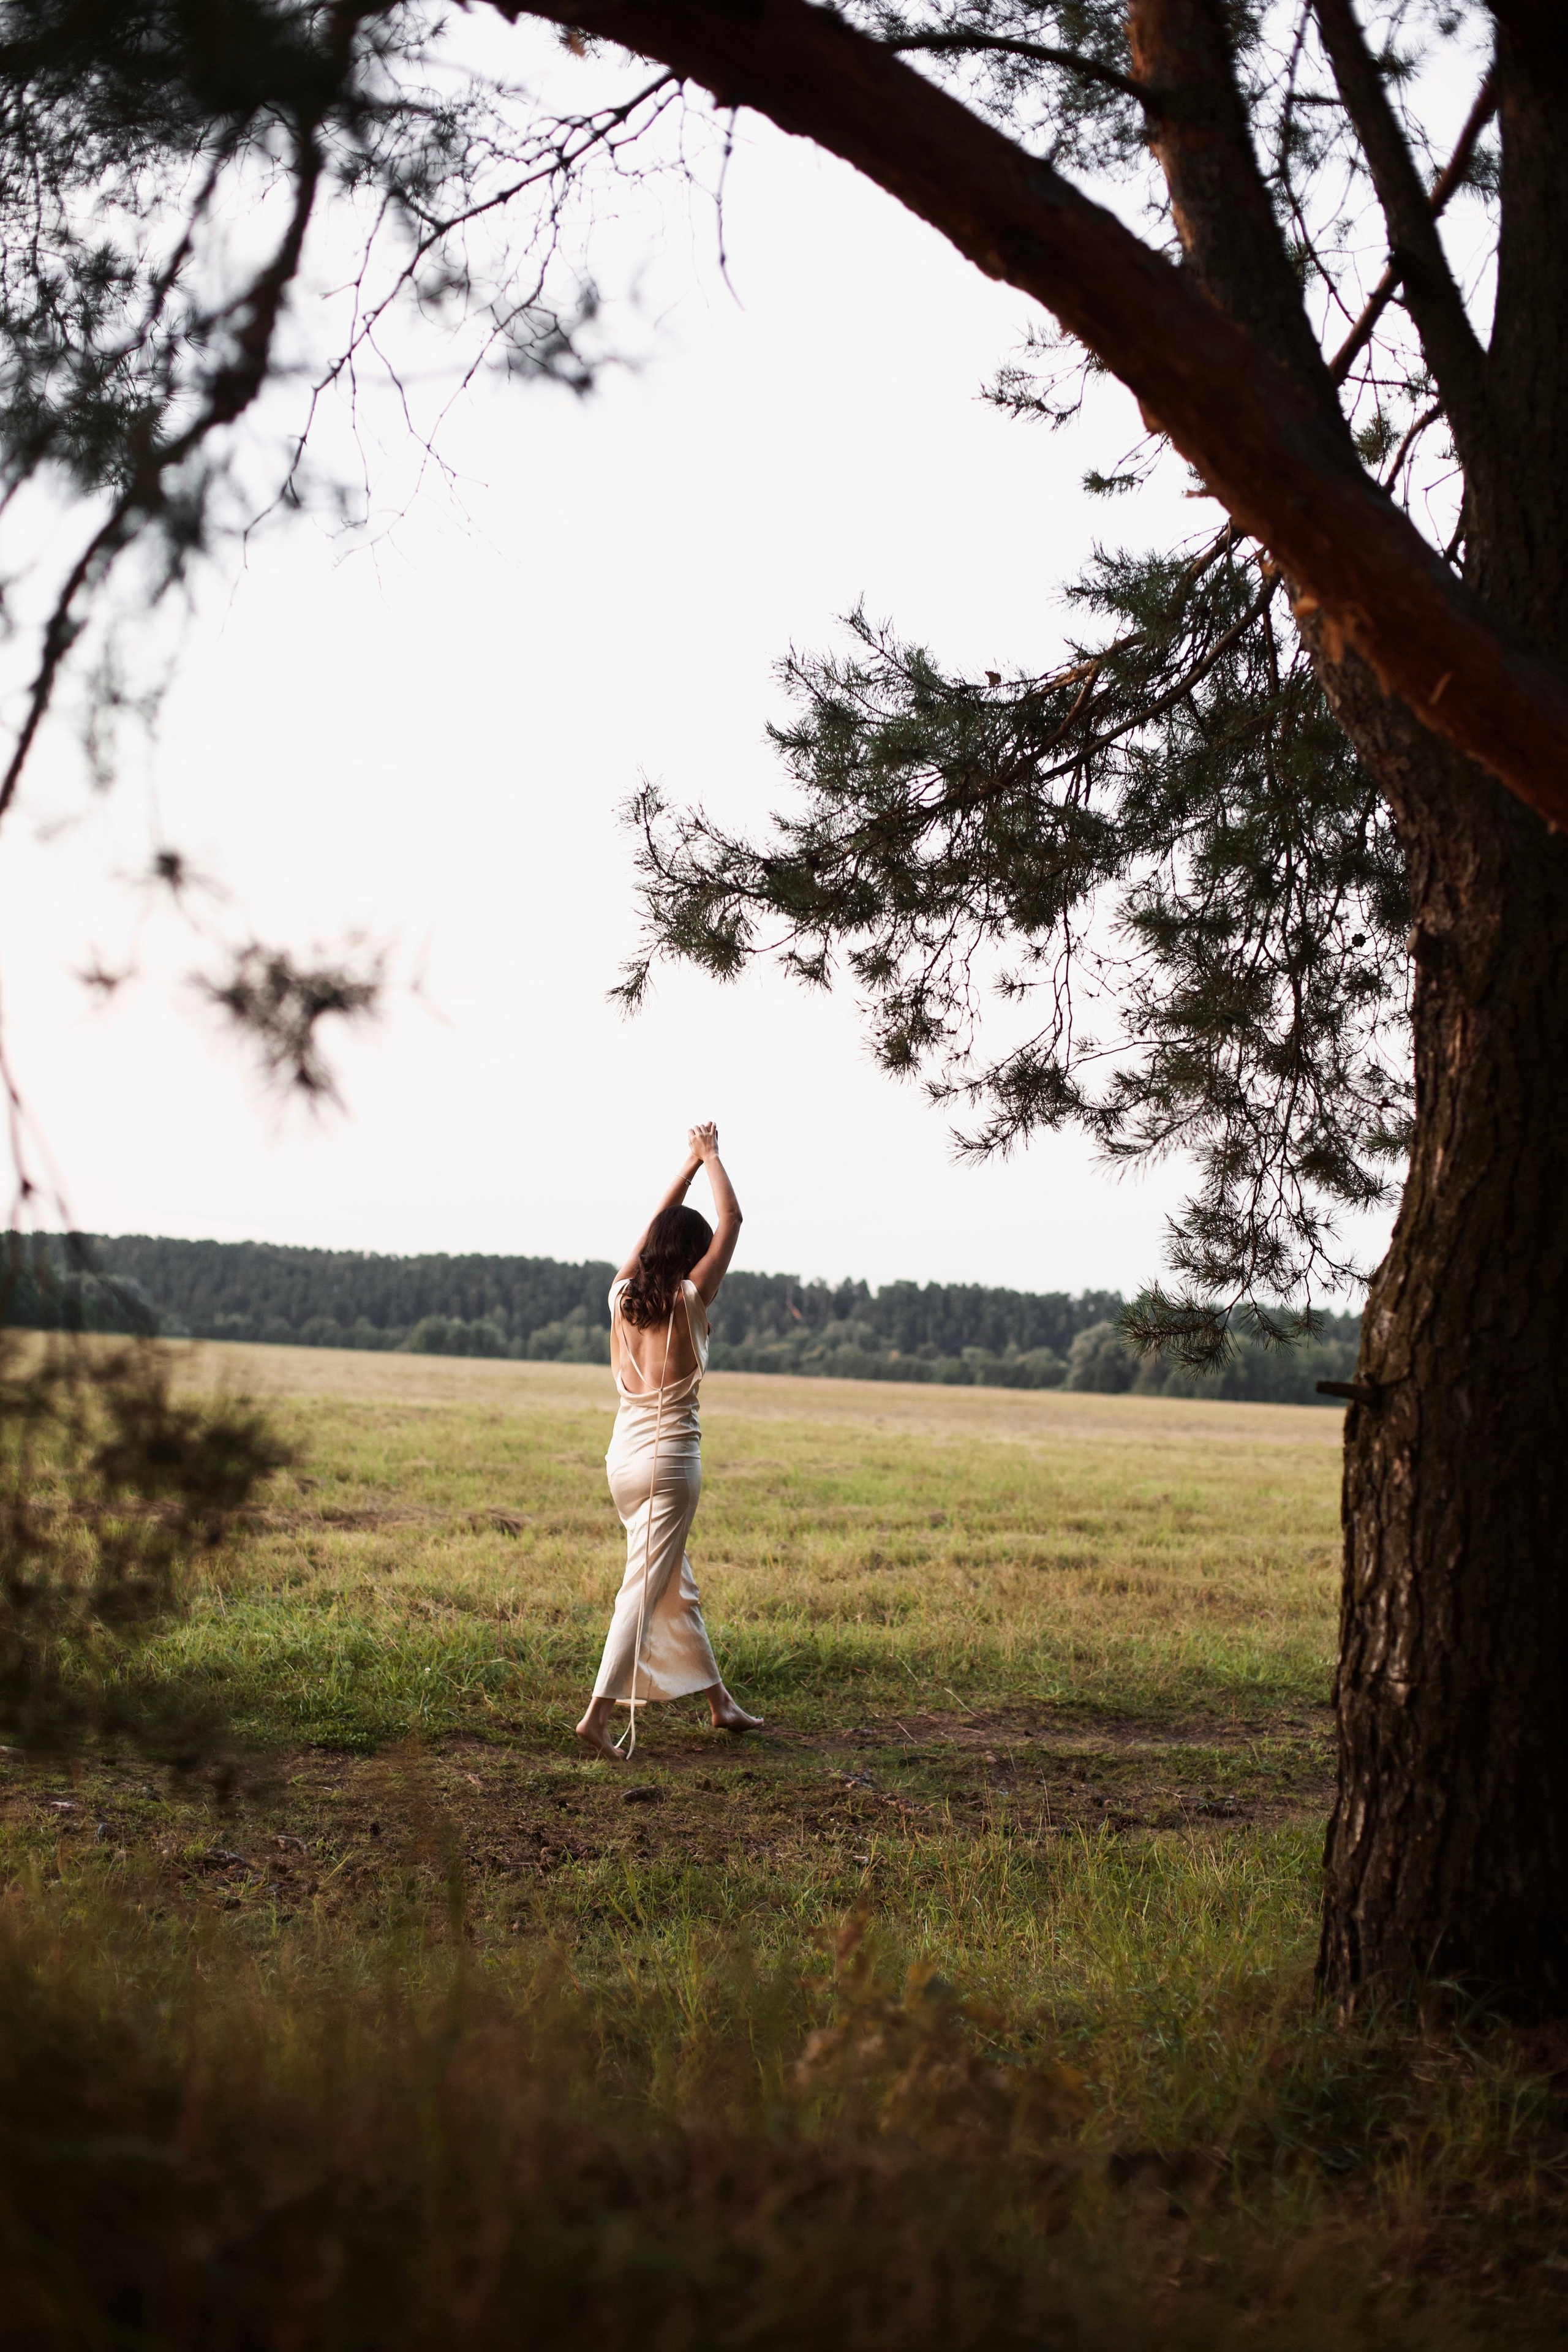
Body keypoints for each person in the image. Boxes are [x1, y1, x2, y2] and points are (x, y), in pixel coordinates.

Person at [575, 1124, 763, 1762]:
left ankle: (720, 1704)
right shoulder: (689, 1299)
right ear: (691, 1256)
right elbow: (733, 1216)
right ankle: (596, 1716)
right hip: (670, 1462)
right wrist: (711, 1157)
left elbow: (657, 1225)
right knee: (642, 1588)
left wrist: (684, 1168)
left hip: (622, 1461)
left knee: (672, 1582)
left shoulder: (620, 1297)